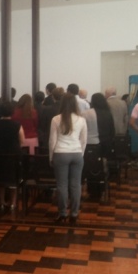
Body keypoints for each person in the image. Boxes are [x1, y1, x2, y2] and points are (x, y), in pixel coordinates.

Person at [49, 93, 88, 224]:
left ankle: (62, 213)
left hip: (60, 153)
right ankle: (74, 214)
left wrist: (51, 156)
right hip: (76, 153)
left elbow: (52, 141)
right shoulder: (81, 120)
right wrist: (81, 153)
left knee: (62, 185)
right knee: (76, 185)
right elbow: (84, 140)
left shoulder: (56, 119)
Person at [0, 101, 24, 211]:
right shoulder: (17, 125)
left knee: (0, 179)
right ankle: (13, 202)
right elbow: (22, 140)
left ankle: (2, 202)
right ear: (12, 112)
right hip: (13, 154)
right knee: (13, 179)